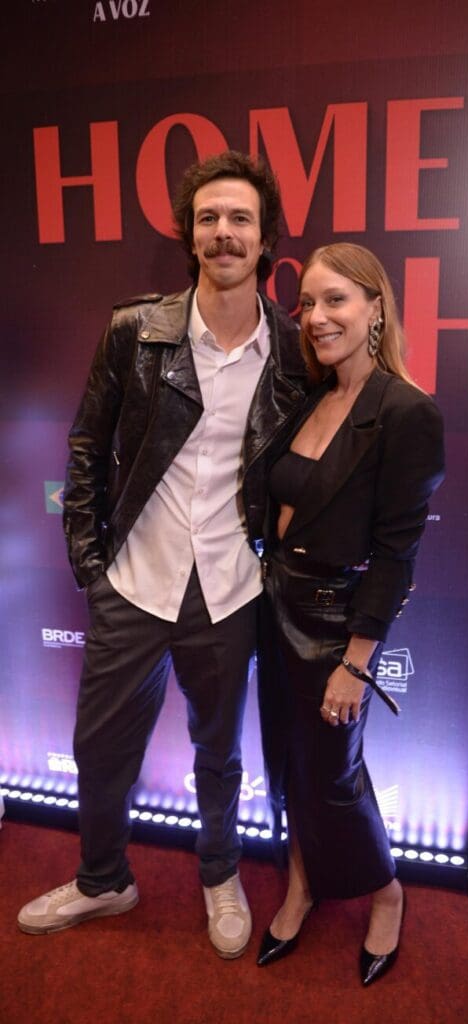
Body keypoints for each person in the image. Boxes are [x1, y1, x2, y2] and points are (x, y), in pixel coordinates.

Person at [17, 151, 308, 959]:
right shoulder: (133, 330)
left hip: (230, 588)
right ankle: (103, 878)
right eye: (209, 218)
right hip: (133, 584)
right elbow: (85, 445)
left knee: (220, 752)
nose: (223, 232)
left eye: (240, 219)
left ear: (264, 239)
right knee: (99, 747)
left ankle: (221, 874)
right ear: (190, 234)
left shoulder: (290, 352)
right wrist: (89, 563)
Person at [255, 243, 445, 985]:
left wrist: (354, 661)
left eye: (336, 300)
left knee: (334, 774)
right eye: (307, 303)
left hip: (335, 623)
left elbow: (397, 555)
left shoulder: (406, 411)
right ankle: (301, 884)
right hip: (271, 608)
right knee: (288, 764)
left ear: (375, 308)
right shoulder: (311, 396)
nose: (317, 316)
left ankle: (386, 893)